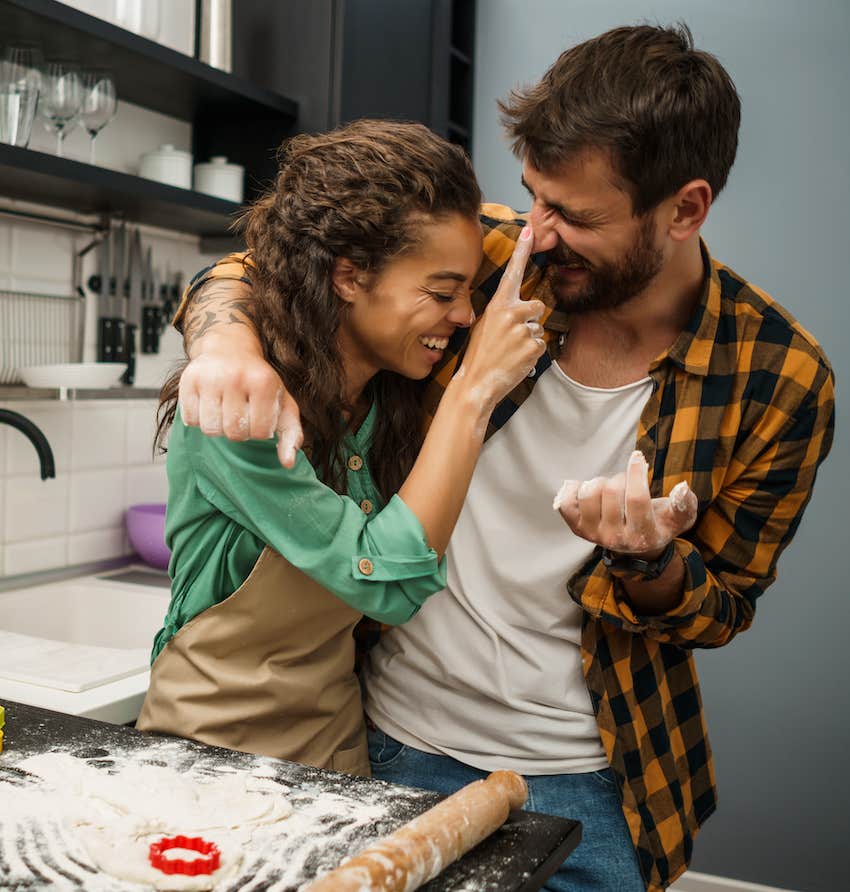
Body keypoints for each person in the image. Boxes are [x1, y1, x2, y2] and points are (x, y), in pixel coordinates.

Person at [166, 25, 835, 892]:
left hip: (595, 788)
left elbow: (724, 606)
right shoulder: (480, 256)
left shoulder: (779, 376)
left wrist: (652, 562)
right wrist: (224, 344)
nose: (539, 235)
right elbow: (266, 265)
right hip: (383, 742)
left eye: (576, 215)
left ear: (685, 209)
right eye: (533, 197)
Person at [136, 119, 545, 778]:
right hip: (207, 758)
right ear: (348, 277)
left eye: (468, 291)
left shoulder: (389, 390)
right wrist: (475, 391)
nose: (466, 316)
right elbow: (386, 581)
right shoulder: (240, 412)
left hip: (338, 753)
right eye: (443, 293)